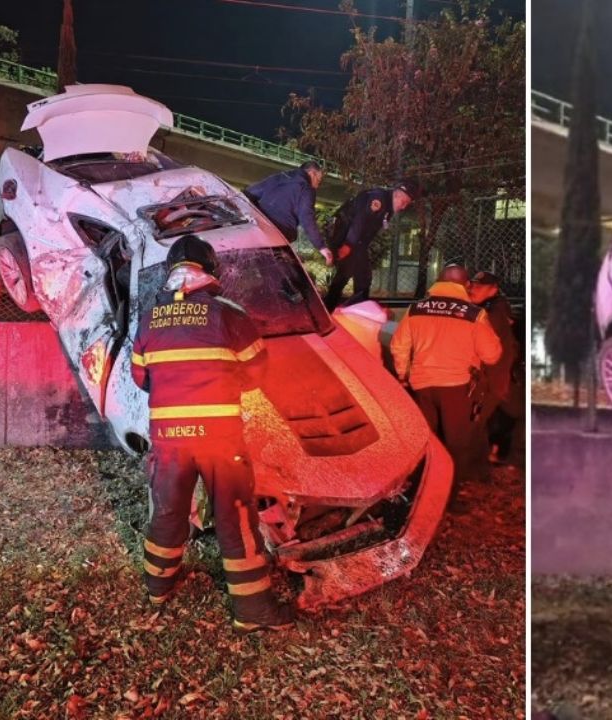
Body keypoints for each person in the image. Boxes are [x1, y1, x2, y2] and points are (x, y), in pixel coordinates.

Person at [130, 234, 294, 633]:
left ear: (171, 273)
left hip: (170, 440)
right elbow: (257, 372)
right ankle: (251, 609)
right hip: (221, 440)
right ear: (211, 272)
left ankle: (157, 588)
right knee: (234, 517)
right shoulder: (229, 314)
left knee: (168, 510)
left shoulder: (150, 318)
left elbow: (141, 378)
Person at [390, 263, 502, 485]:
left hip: (422, 385)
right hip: (457, 387)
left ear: (438, 281)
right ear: (466, 284)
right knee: (457, 444)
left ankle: (421, 487)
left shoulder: (416, 309)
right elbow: (492, 355)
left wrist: (403, 375)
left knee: (426, 440)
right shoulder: (474, 314)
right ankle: (448, 495)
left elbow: (398, 346)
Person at [323, 178, 420, 310]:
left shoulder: (388, 205)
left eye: (406, 204)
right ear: (396, 194)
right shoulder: (378, 199)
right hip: (348, 239)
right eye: (403, 202)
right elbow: (359, 221)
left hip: (357, 243)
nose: (403, 207)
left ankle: (340, 309)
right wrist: (347, 246)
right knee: (355, 277)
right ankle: (343, 310)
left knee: (355, 277)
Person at [467, 271, 522, 464]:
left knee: (490, 414)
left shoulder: (494, 311)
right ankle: (496, 452)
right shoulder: (494, 307)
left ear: (494, 289)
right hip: (497, 373)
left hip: (496, 374)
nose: (473, 289)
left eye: (479, 287)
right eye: (472, 285)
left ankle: (495, 454)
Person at [243, 160, 333, 267]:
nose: (317, 186)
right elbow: (306, 218)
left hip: (257, 225)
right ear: (312, 173)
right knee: (272, 269)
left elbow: (249, 193)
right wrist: (321, 246)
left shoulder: (279, 177)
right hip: (278, 235)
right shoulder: (306, 189)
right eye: (319, 180)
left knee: (246, 261)